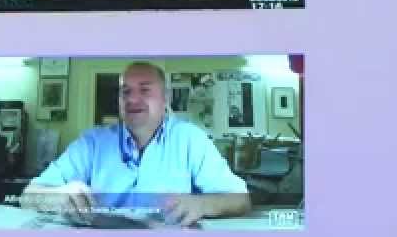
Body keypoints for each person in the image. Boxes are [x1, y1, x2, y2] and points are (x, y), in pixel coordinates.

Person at [19, 62, 251, 227]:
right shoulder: (92, 143)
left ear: (165, 98)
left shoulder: (191, 139)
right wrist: (59, 196)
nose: (132, 99)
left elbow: (240, 199)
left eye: (145, 90)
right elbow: (29, 195)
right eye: (125, 92)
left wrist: (201, 205)